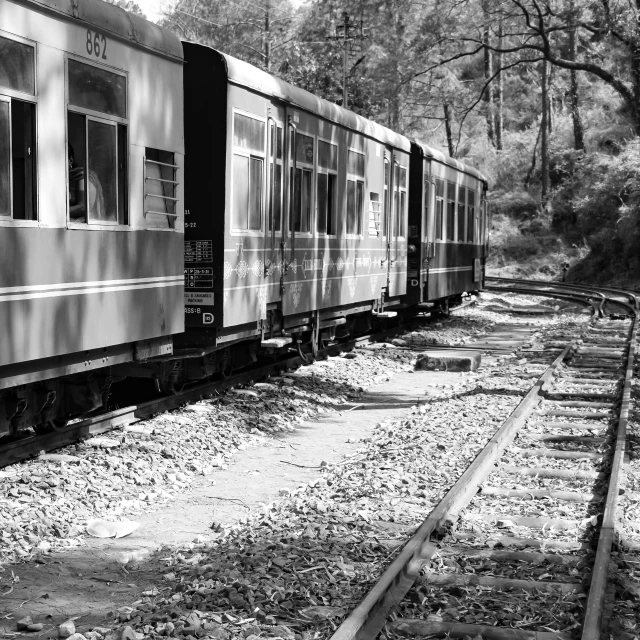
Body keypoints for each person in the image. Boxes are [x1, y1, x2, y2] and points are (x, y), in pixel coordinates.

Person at [68, 143, 105, 222]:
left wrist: (59, 213)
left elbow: (83, 207)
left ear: (70, 160)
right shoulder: (64, 180)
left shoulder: (81, 176)